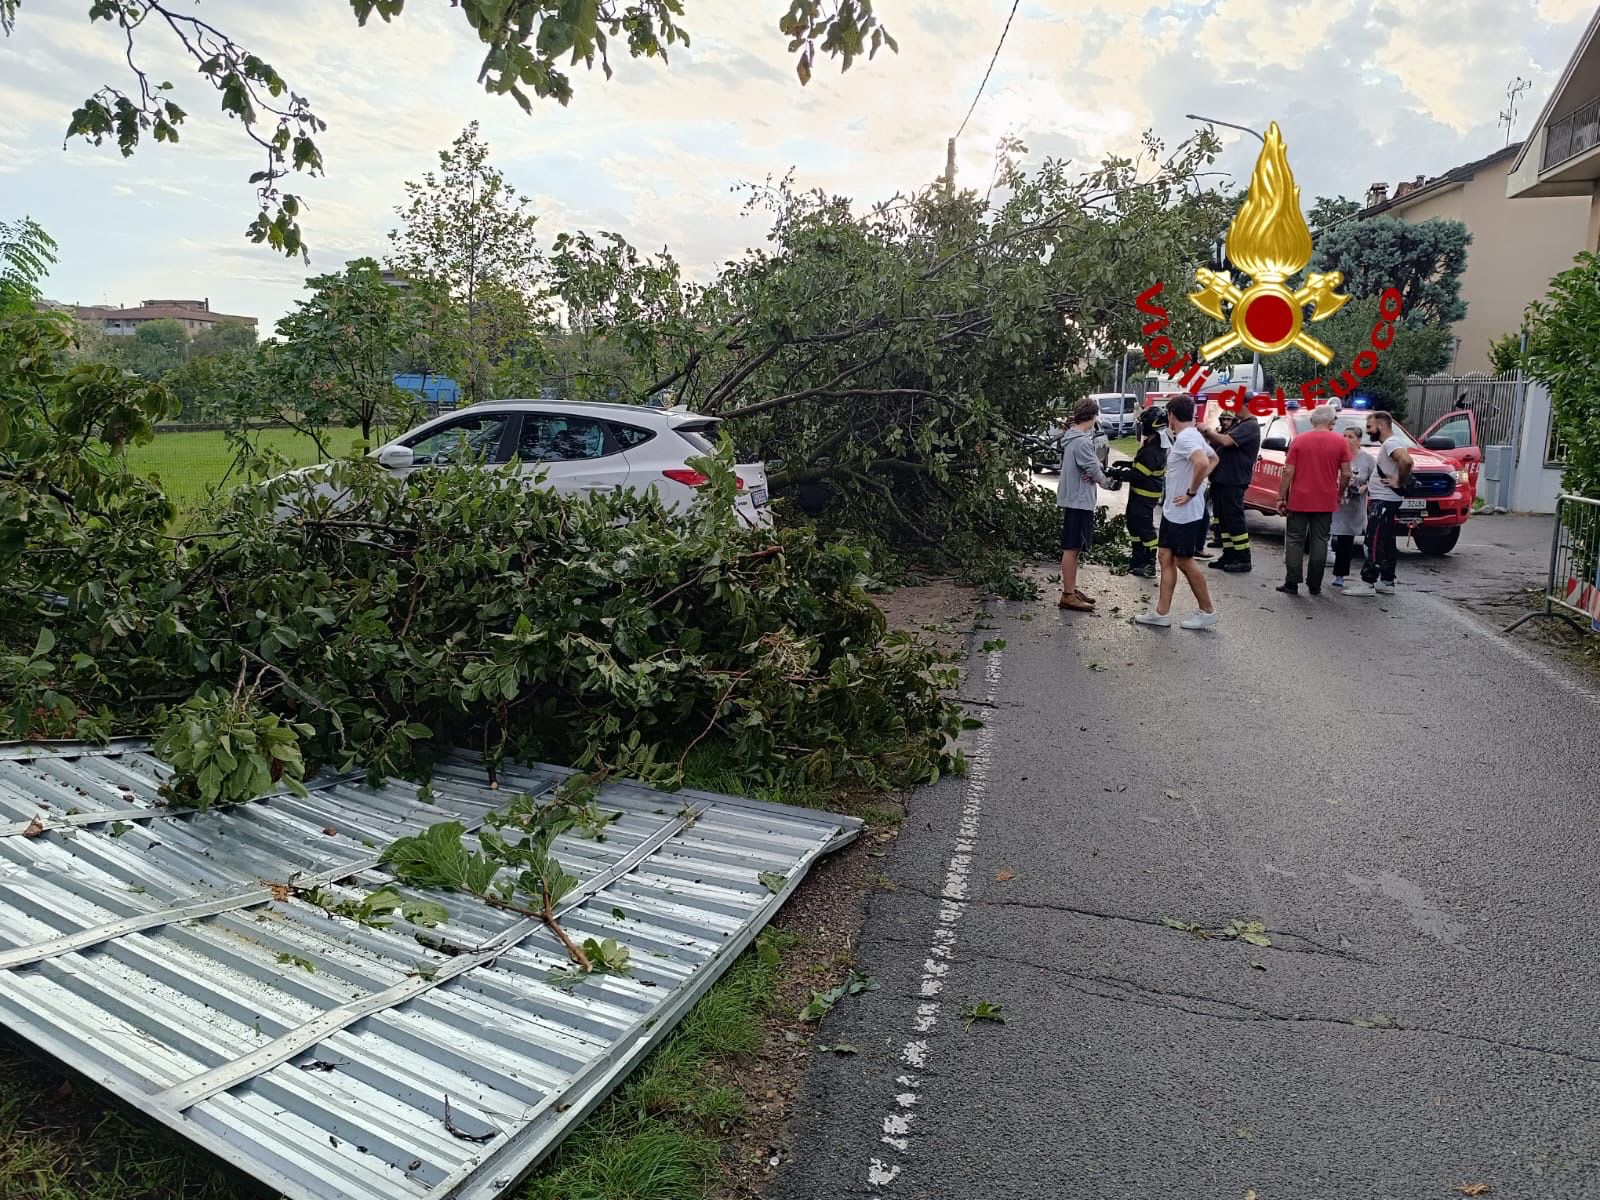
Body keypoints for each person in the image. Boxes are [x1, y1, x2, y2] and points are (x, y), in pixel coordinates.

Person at [1135, 395, 1219, 630]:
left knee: (1184, 560)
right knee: (1165, 556)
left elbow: (1203, 462)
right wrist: (1197, 484)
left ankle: (1207, 611)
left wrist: (1192, 491)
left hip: (1184, 512)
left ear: (1171, 416)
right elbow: (1214, 458)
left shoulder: (1186, 438)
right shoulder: (1192, 435)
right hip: (1173, 511)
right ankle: (1161, 613)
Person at [1275, 405, 1351, 596]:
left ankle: (1292, 582)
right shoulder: (1341, 442)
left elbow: (1288, 472)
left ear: (1312, 421)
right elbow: (1346, 474)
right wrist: (1339, 493)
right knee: (1320, 540)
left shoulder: (1299, 441)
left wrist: (1281, 497)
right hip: (1325, 500)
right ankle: (1315, 584)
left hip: (1299, 499)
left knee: (1295, 540)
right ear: (1331, 421)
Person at [1344, 410, 1413, 597]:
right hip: (1386, 500)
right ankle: (1387, 580)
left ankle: (1368, 582)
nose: (1367, 431)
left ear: (1381, 426)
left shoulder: (1391, 443)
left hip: (1383, 501)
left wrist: (1399, 481)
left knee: (1373, 541)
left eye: (1369, 427)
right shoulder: (1393, 443)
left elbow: (1407, 461)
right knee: (1386, 540)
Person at [1055, 397, 1112, 611]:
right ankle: (1068, 595)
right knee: (1072, 547)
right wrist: (1108, 481)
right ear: (1093, 416)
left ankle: (1071, 588)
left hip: (1075, 499)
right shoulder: (1082, 441)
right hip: (1079, 501)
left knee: (1075, 547)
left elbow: (1088, 466)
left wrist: (1093, 469)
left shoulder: (1074, 438)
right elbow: (1095, 470)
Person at [1200, 395, 1261, 572]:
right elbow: (1218, 440)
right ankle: (1229, 554)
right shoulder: (1239, 424)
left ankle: (1243, 558)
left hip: (1233, 481)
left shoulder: (1250, 426)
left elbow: (1226, 441)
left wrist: (1206, 430)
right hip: (1222, 480)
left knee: (1234, 519)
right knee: (1224, 520)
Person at [1106, 407, 1165, 578]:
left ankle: (1149, 564)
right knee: (1133, 525)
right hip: (1139, 495)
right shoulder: (1152, 444)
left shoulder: (1153, 450)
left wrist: (1115, 473)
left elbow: (1138, 475)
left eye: (1142, 423)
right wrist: (1124, 464)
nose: (1139, 427)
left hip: (1145, 496)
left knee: (1145, 529)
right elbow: (1141, 466)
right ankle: (1137, 560)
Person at [1330, 424, 1375, 588]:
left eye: (1351, 437)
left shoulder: (1367, 459)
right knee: (1328, 536)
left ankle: (1341, 575)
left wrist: (1366, 487)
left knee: (1346, 540)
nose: (1346, 440)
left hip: (1354, 506)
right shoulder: (1336, 456)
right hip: (1335, 503)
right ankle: (1320, 570)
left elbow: (1375, 480)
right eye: (1344, 436)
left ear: (1359, 440)